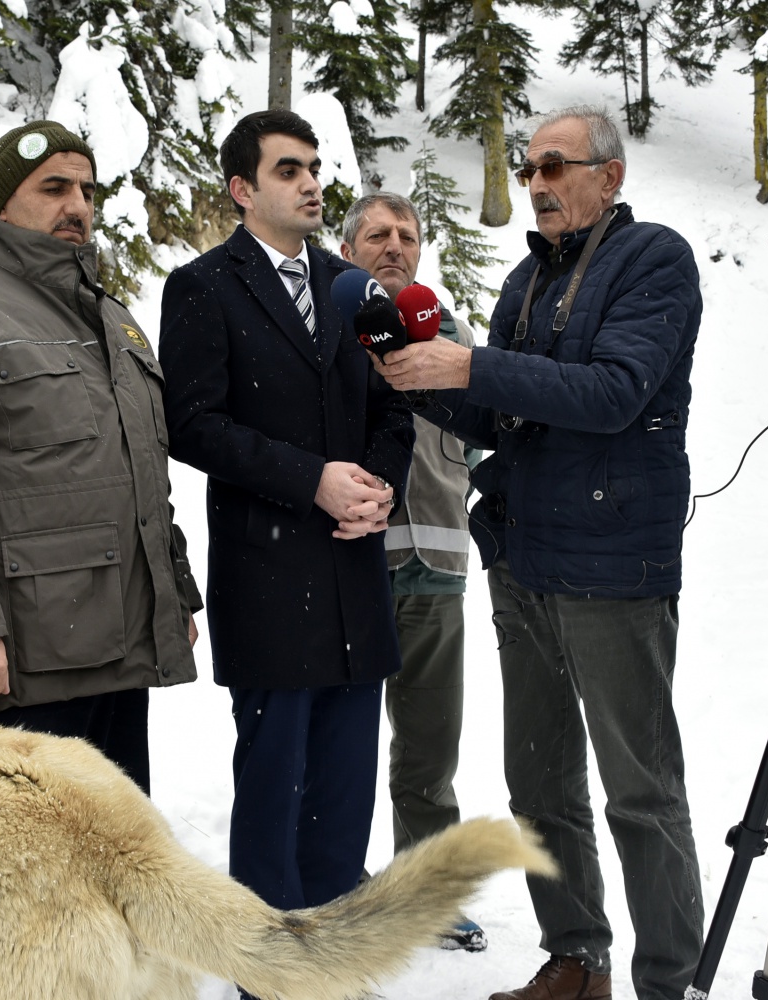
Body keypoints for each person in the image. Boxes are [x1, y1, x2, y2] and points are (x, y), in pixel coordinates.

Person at [374, 105, 703, 1000]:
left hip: (612, 564)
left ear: (611, 176)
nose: (540, 184)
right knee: (540, 781)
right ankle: (576, 960)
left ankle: (672, 981)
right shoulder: (524, 279)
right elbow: (502, 418)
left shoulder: (654, 260)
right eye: (528, 170)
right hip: (523, 564)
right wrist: (418, 378)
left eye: (557, 167)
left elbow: (612, 394)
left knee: (641, 791)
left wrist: (469, 366)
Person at [157, 108, 414, 969]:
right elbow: (191, 425)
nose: (311, 183)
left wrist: (377, 487)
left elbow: (393, 405)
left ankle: (333, 964)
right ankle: (269, 972)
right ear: (242, 189)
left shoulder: (353, 289)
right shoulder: (202, 287)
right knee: (275, 791)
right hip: (270, 579)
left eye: (314, 168)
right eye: (289, 170)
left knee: (345, 792)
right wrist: (312, 477)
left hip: (354, 569)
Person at [0, 120, 202, 795]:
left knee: (112, 855)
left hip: (117, 647)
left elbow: (143, 470)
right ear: (2, 204)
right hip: (23, 657)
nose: (77, 206)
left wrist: (174, 596)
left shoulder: (112, 319)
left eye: (86, 190)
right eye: (53, 188)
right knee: (33, 871)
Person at [337, 191, 486, 953]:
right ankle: (333, 875)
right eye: (377, 235)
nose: (394, 246)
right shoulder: (326, 326)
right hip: (345, 570)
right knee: (339, 742)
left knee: (430, 744)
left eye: (407, 236)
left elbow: (488, 446)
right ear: (346, 248)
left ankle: (427, 890)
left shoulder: (451, 333)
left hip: (438, 573)